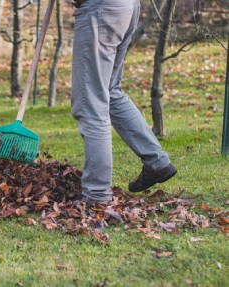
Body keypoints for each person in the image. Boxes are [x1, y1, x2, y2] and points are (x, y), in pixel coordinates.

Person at [71, 0, 177, 204]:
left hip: (100, 10)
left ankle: (96, 195)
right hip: (125, 7)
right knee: (110, 93)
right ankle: (156, 161)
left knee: (91, 103)